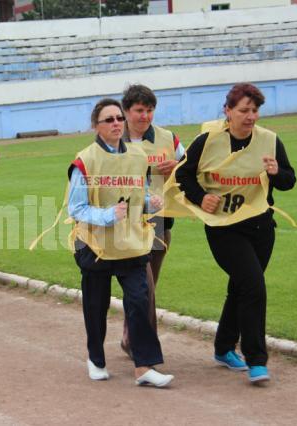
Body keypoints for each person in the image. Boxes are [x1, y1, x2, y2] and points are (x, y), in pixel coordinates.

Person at [168, 83, 297, 383]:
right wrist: (201, 197)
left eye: (255, 111)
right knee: (253, 286)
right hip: (224, 229)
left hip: (261, 227)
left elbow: (289, 181)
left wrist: (277, 173)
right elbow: (182, 174)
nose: (250, 116)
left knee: (241, 287)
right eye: (244, 110)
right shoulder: (208, 140)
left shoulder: (270, 141)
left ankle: (223, 347)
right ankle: (257, 360)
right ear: (228, 111)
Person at [68, 98, 174, 387]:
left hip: (131, 244)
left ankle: (144, 367)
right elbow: (75, 209)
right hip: (95, 246)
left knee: (140, 301)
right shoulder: (84, 160)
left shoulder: (138, 156)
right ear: (96, 126)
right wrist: (107, 216)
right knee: (96, 305)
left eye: (118, 118)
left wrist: (151, 203)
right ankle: (96, 359)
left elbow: (137, 196)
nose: (116, 123)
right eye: (109, 119)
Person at [119, 84, 186, 357]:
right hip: (127, 222)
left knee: (147, 286)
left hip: (160, 222)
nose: (144, 116)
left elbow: (191, 166)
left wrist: (178, 168)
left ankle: (129, 334)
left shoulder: (168, 138)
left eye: (149, 110)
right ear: (125, 111)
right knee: (142, 285)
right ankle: (145, 345)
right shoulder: (114, 139)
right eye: (138, 111)